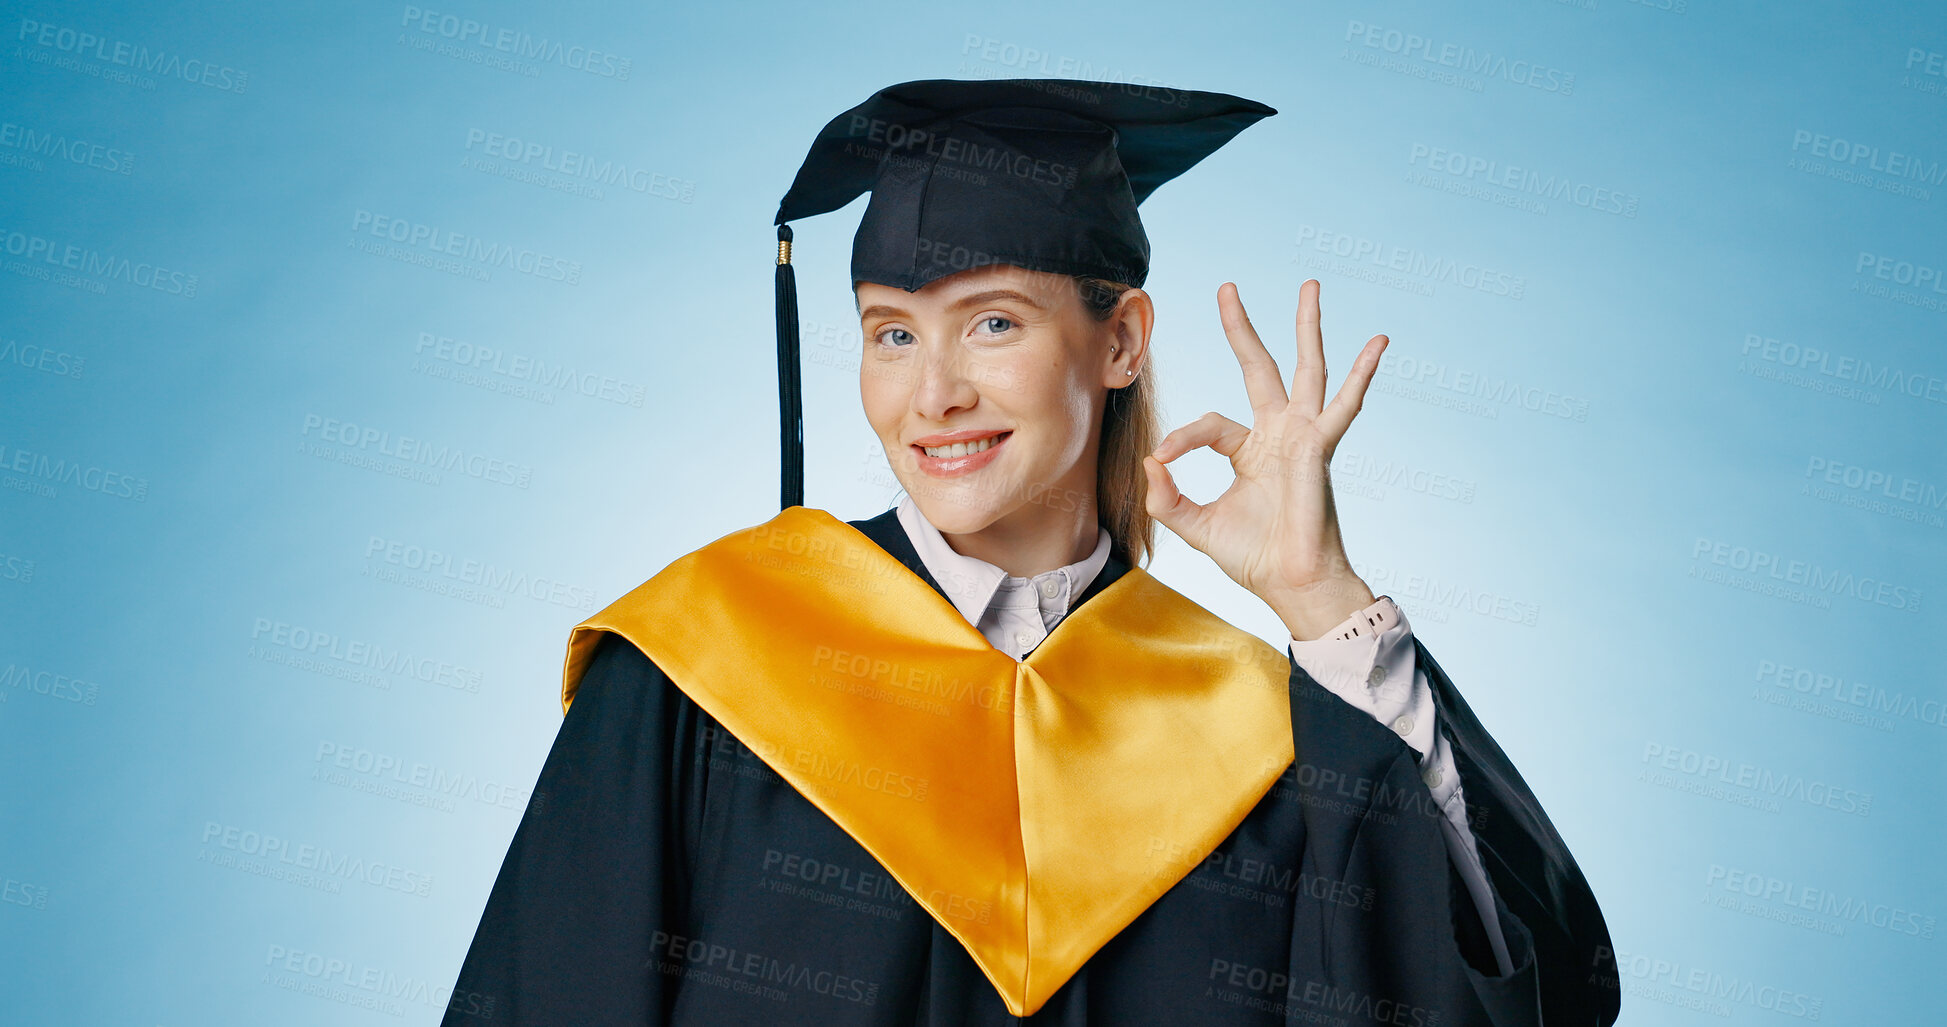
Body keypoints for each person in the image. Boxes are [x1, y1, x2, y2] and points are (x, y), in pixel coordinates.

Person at [442, 79, 1618, 1026]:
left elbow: (1524, 995)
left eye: (993, 322)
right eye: (892, 334)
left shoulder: (1254, 736)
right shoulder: (704, 666)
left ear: (1120, 342)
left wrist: (1323, 603)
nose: (934, 394)